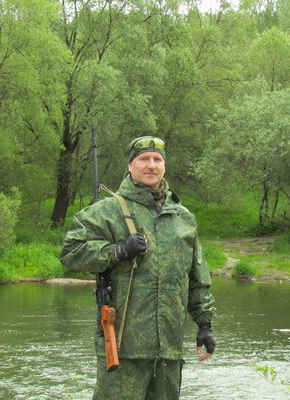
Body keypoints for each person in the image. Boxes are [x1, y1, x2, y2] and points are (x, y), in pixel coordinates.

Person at [60, 136, 216, 399]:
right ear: (130, 165)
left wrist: (205, 324)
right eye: (144, 159)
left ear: (164, 166)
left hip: (168, 349)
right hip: (123, 348)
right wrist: (117, 251)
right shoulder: (106, 211)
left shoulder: (183, 218)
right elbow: (70, 254)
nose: (151, 165)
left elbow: (197, 277)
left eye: (157, 160)